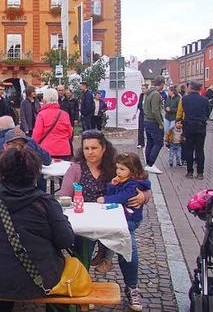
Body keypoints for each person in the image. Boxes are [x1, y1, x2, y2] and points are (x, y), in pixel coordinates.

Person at [0, 147, 74, 312]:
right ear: (35, 173)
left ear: (1, 171)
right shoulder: (44, 202)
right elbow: (65, 240)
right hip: (34, 281)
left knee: (4, 269)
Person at [58, 130, 151, 312]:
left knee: (128, 248)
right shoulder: (76, 168)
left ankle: (132, 287)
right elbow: (63, 195)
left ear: (104, 148)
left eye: (94, 148)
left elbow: (140, 183)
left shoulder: (116, 166)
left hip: (115, 219)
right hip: (85, 219)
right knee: (83, 249)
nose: (90, 152)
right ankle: (83, 288)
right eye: (86, 148)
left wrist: (144, 197)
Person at [95, 152, 151, 311]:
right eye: (117, 168)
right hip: (112, 217)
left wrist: (105, 199)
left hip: (128, 220)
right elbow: (116, 193)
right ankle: (103, 260)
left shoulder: (133, 184)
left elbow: (123, 197)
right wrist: (112, 185)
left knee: (128, 248)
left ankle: (130, 285)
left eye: (122, 169)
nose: (118, 171)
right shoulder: (122, 180)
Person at [32, 88, 73, 160]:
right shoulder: (65, 114)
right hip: (64, 150)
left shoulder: (42, 115)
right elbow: (69, 133)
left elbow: (37, 134)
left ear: (44, 100)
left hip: (47, 150)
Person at [181, 81, 209, 179]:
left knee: (189, 149)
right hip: (200, 126)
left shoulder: (185, 99)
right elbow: (207, 113)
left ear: (191, 88)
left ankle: (190, 172)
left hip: (188, 125)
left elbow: (185, 111)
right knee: (200, 150)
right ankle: (200, 173)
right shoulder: (205, 99)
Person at [142, 76, 165, 174]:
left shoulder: (148, 93)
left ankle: (148, 163)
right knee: (158, 142)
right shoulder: (155, 94)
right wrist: (160, 123)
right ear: (162, 84)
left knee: (150, 142)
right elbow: (155, 110)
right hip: (153, 121)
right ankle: (151, 163)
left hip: (147, 120)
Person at [134, 84, 148, 149]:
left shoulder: (149, 96)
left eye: (144, 88)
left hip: (148, 114)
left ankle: (148, 142)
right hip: (142, 113)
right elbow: (139, 104)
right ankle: (140, 143)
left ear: (147, 89)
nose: (142, 90)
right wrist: (135, 113)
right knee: (141, 128)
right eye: (142, 88)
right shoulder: (141, 95)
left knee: (148, 129)